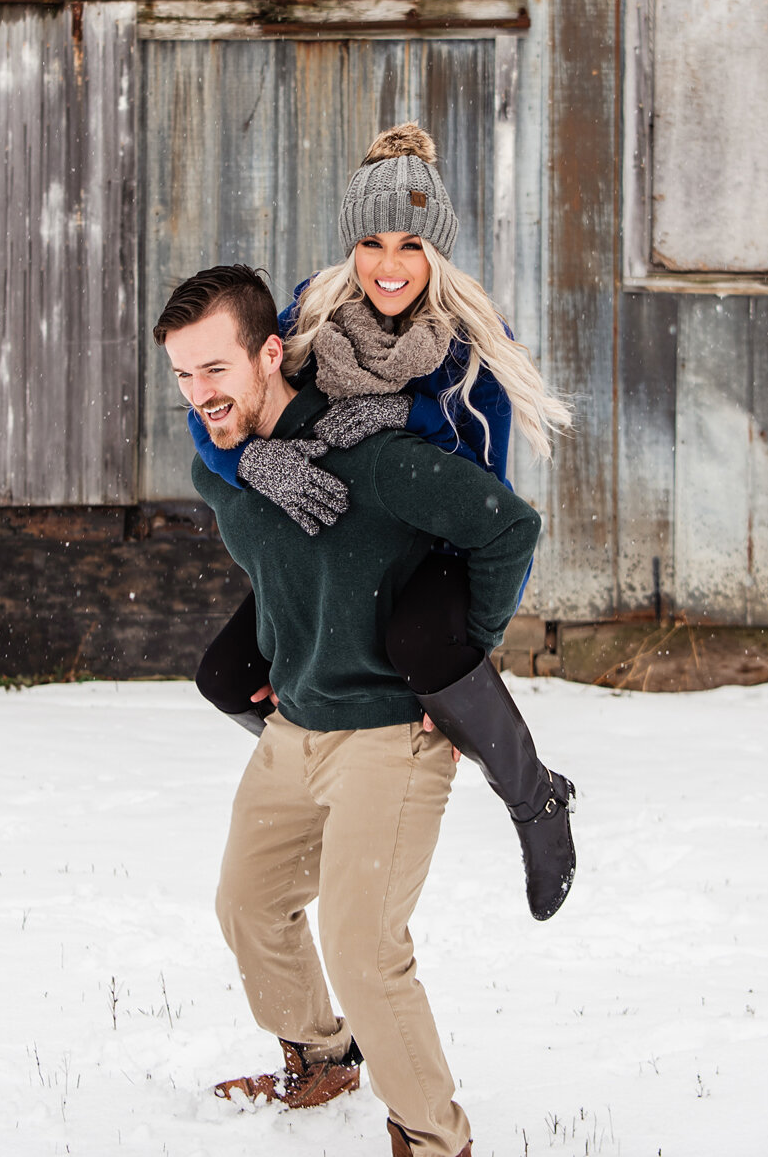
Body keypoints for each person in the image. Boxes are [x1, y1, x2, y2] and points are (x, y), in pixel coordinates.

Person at [157, 263, 542, 1157]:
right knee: (248, 905)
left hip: (391, 737)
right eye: (182, 373)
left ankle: (434, 1138)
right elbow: (246, 501)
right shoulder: (226, 467)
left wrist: (454, 661)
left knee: (365, 947)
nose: (199, 394)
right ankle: (323, 1058)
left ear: (271, 351)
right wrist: (246, 458)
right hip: (296, 724)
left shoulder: (373, 457)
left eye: (215, 369)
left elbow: (507, 526)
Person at [190, 123, 579, 922]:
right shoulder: (310, 313)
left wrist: (407, 414)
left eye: (409, 243)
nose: (389, 265)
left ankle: (535, 797)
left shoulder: (470, 349)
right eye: (371, 241)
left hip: (433, 556)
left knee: (420, 647)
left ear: (436, 250)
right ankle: (332, 758)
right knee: (226, 672)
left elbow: (487, 500)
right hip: (343, 543)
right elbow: (216, 399)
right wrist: (246, 463)